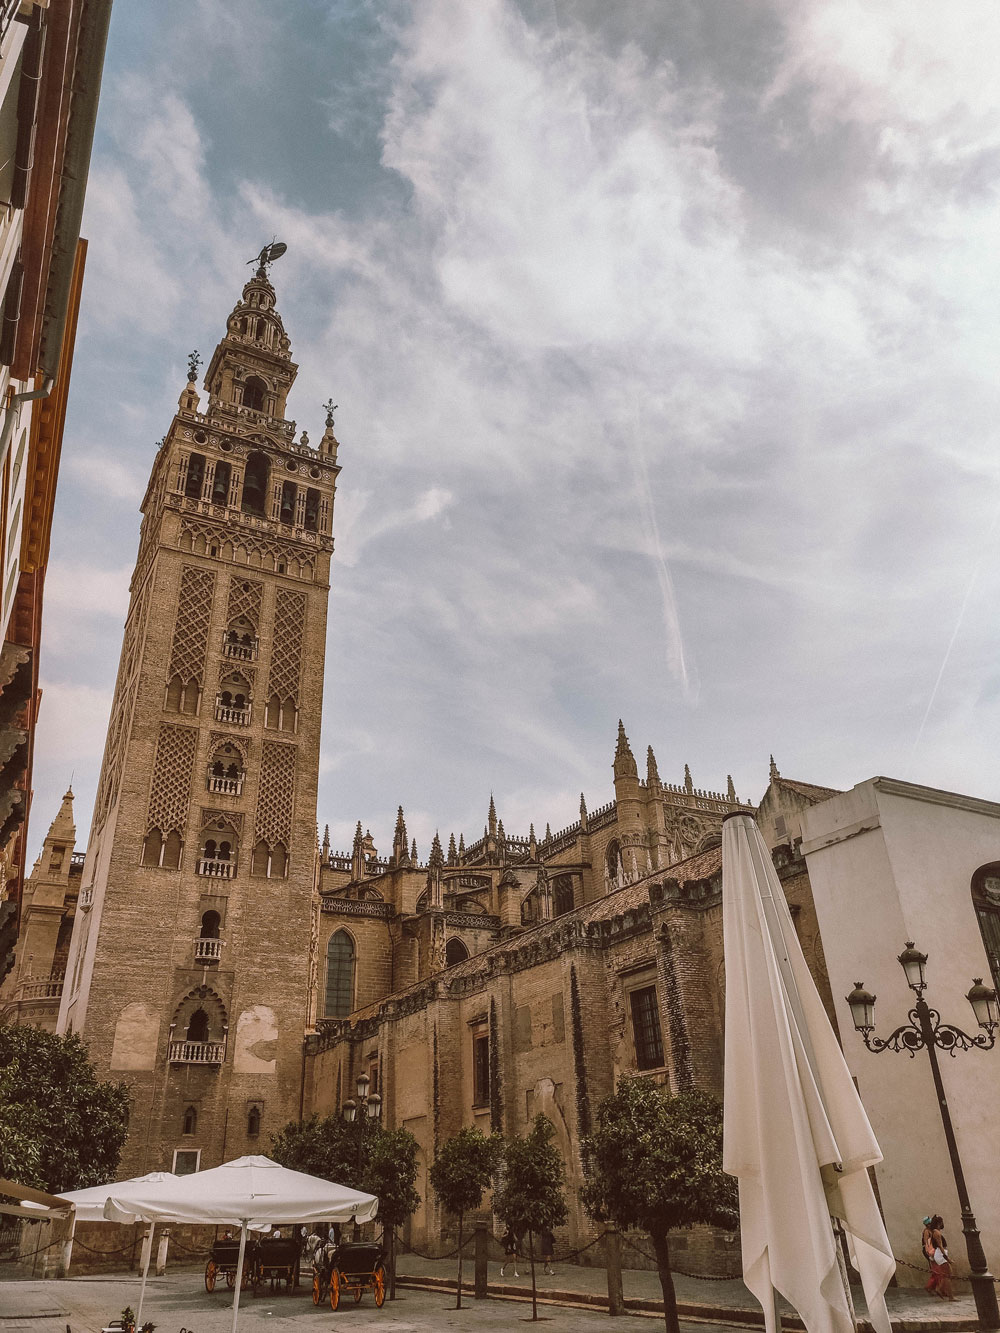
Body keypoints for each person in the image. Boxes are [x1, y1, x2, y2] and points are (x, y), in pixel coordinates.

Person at [926, 1215, 954, 1300]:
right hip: (940, 1254)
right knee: (948, 1275)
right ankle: (951, 1297)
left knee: (946, 1275)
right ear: (939, 1223)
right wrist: (947, 1258)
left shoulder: (935, 1232)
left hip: (940, 1254)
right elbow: (940, 1246)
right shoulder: (937, 1233)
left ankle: (939, 1288)